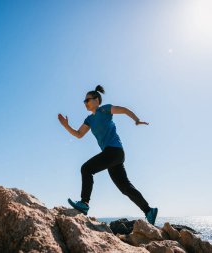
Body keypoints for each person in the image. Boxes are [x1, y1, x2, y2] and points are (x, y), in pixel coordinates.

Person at [57, 85, 158, 225]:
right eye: (84, 101)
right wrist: (66, 126)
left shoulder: (104, 109)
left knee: (86, 169)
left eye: (87, 100)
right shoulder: (89, 120)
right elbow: (79, 134)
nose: (85, 103)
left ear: (97, 100)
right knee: (125, 188)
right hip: (112, 155)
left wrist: (136, 119)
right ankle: (149, 211)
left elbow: (124, 110)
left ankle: (84, 203)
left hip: (114, 151)